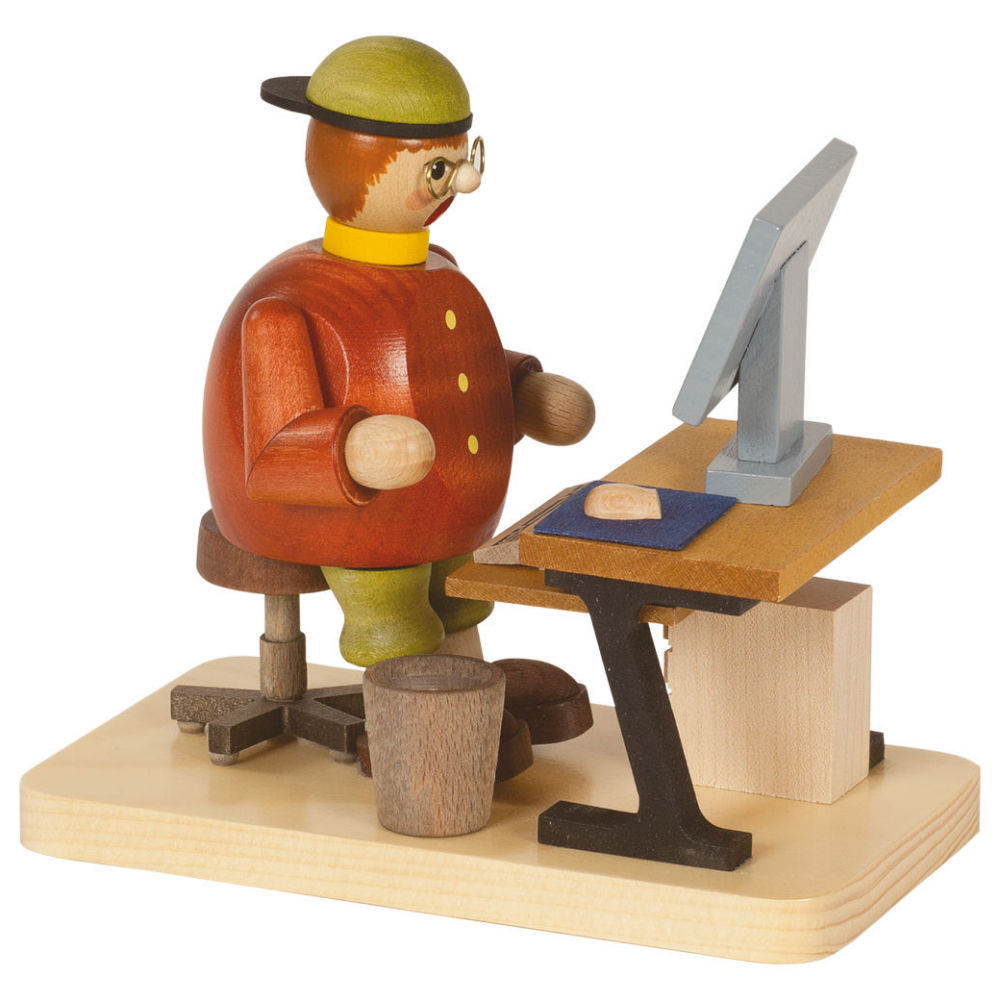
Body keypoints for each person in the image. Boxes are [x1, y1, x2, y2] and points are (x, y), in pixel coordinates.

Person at [204, 36, 594, 665]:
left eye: (465, 158)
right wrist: (357, 447)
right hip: (347, 524)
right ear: (352, 162)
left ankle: (475, 703)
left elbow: (444, 368)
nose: (466, 181)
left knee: (461, 598)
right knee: (395, 620)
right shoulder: (285, 301)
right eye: (438, 169)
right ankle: (411, 713)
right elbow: (273, 448)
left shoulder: (439, 266)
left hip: (448, 511)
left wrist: (520, 389)